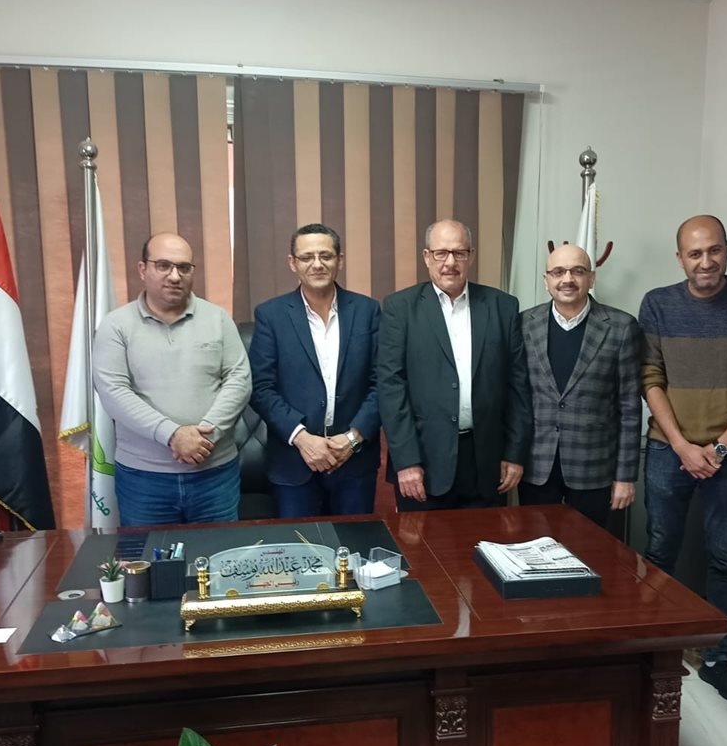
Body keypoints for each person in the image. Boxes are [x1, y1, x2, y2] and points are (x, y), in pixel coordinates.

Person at [639, 215, 727, 706]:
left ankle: (717, 661)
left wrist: (721, 447)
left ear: (726, 249)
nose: (706, 261)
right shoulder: (657, 304)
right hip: (668, 448)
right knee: (660, 549)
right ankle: (653, 651)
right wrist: (682, 445)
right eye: (695, 253)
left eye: (714, 250)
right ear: (680, 258)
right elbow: (650, 378)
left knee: (725, 557)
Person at [94, 232, 251, 526]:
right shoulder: (115, 326)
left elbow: (239, 380)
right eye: (163, 266)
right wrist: (173, 435)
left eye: (184, 267)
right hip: (144, 480)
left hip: (214, 475)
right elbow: (114, 392)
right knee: (148, 555)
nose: (175, 276)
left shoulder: (217, 318)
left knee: (219, 553)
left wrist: (205, 437)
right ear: (143, 269)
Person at [378, 219, 531, 510]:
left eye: (459, 253)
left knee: (486, 539)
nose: (450, 262)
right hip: (423, 463)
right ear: (427, 257)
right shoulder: (400, 308)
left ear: (471, 256)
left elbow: (518, 387)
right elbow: (390, 388)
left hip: (487, 463)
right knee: (421, 541)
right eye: (441, 253)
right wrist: (407, 461)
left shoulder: (502, 306)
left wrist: (514, 454)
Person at [248, 223, 381, 517]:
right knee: (299, 543)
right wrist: (302, 438)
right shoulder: (271, 315)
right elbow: (261, 387)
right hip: (294, 461)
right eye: (307, 257)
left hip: (354, 461)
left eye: (326, 256)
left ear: (339, 260)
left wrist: (353, 439)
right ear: (292, 263)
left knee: (355, 541)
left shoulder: (368, 311)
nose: (317, 264)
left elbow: (383, 382)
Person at [519, 243, 641, 527]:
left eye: (577, 271)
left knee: (592, 550)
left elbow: (629, 408)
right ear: (546, 280)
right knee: (535, 548)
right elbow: (515, 398)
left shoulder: (622, 327)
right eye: (558, 272)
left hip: (594, 469)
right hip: (537, 467)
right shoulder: (524, 324)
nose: (567, 279)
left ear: (591, 278)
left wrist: (625, 476)